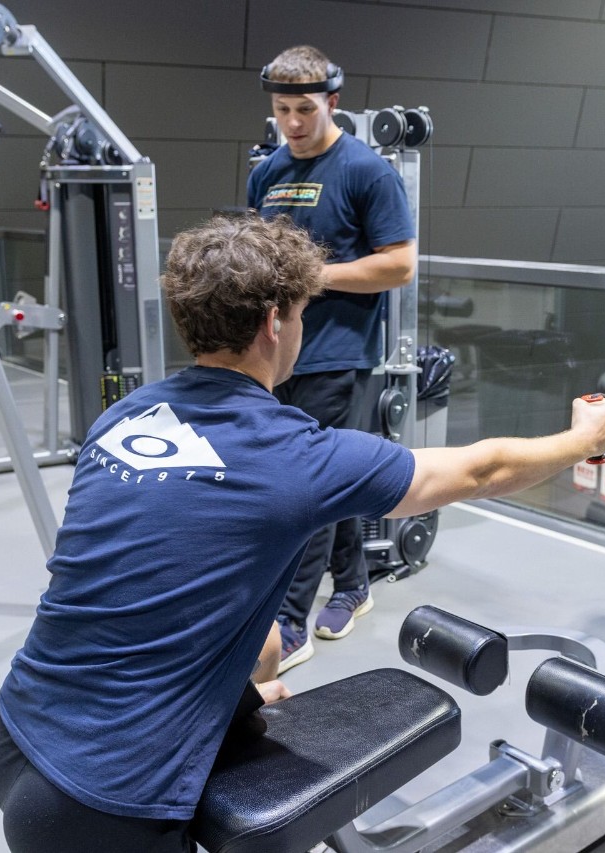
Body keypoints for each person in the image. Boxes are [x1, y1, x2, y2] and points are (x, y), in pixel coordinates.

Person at [0, 214, 605, 853]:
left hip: (19, 732)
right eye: (300, 314)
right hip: (109, 803)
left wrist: (236, 691)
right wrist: (580, 442)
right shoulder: (295, 455)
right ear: (274, 324)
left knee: (263, 647)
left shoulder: (125, 415)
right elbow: (485, 469)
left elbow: (149, 575)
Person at [247, 45, 418, 670]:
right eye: (282, 109)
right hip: (275, 354)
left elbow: (399, 264)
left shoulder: (366, 171)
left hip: (337, 353)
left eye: (305, 109)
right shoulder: (265, 172)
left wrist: (316, 276)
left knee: (307, 483)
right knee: (322, 476)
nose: (293, 122)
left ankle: (290, 623)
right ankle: (353, 585)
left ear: (332, 103)